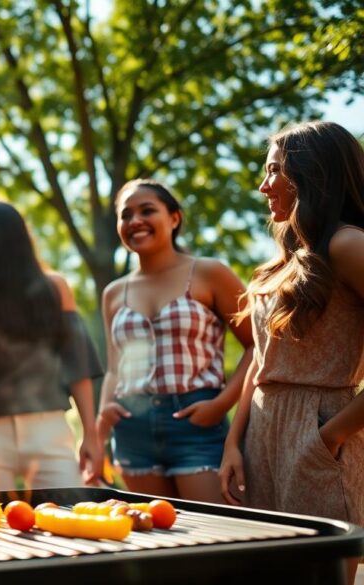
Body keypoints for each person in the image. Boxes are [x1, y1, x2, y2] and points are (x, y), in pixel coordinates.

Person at [219, 121, 364, 583]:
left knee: (320, 573)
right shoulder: (286, 256)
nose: (263, 186)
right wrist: (233, 443)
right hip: (261, 431)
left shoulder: (347, 244)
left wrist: (328, 438)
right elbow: (261, 363)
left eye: (273, 170)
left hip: (317, 425)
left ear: (310, 172)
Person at [96, 179, 253, 503]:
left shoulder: (210, 273)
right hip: (131, 431)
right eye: (126, 215)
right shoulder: (113, 293)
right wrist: (101, 424)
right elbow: (115, 368)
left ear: (174, 218)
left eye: (147, 210)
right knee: (158, 541)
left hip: (197, 424)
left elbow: (258, 345)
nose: (135, 220)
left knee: (215, 542)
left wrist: (221, 404)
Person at [0, 200, 102, 493]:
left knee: (71, 518)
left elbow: (77, 367)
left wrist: (91, 433)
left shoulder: (55, 289)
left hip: (48, 430)